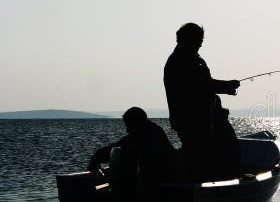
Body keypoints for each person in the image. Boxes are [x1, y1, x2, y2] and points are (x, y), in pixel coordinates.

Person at [163, 23, 239, 179]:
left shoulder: (192, 59)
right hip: (191, 120)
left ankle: (201, 183)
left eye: (201, 40)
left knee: (201, 155)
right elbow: (202, 85)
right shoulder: (182, 61)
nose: (200, 43)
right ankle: (196, 189)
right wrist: (227, 86)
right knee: (197, 157)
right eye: (198, 40)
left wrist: (224, 88)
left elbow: (206, 83)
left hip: (202, 119)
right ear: (185, 39)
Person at [87, 107, 175, 180]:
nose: (127, 130)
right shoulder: (153, 131)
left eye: (128, 125)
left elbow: (121, 146)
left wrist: (97, 156)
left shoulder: (145, 135)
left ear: (136, 123)